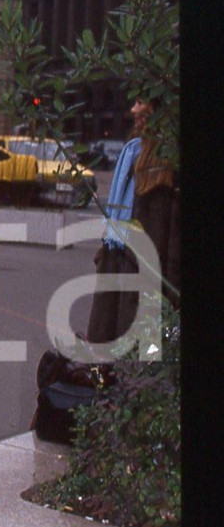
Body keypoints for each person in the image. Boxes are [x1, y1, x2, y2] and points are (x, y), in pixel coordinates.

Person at [85, 96, 180, 343]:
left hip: (145, 282)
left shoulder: (165, 165)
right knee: (114, 354)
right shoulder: (134, 153)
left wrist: (171, 293)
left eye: (142, 102)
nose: (133, 110)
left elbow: (171, 241)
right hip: (119, 269)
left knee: (143, 358)